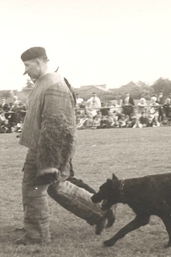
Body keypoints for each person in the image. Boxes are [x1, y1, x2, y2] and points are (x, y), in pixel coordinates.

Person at [16, 46, 114, 245]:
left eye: (27, 65)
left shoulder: (53, 85)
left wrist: (49, 162)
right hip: (42, 146)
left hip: (46, 149)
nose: (25, 71)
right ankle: (101, 212)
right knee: (56, 186)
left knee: (33, 189)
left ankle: (36, 235)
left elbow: (56, 125)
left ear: (38, 62)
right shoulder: (45, 83)